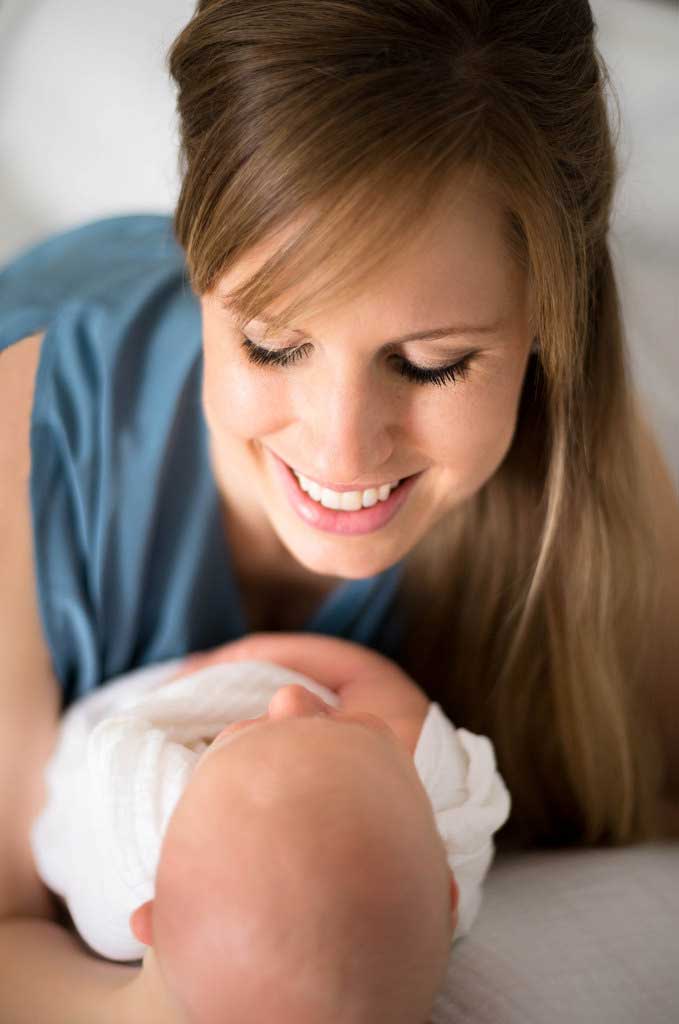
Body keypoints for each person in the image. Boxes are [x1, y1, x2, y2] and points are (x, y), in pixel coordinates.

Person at [1, 1, 678, 1021]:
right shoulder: (27, 440)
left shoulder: (585, 481)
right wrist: (172, 1002)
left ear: (550, 316)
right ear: (198, 271)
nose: (340, 451)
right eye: (272, 344)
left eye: (430, 363)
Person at [28, 632, 510, 1024]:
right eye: (348, 726)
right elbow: (365, 675)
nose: (290, 696)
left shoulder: (123, 849)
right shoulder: (434, 782)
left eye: (239, 731)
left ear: (146, 921)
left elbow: (63, 800)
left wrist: (226, 662)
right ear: (450, 901)